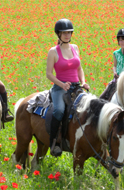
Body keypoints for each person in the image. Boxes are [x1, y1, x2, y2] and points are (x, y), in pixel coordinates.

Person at [46, 18, 90, 157]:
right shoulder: (53, 51)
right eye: (63, 33)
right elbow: (48, 74)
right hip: (60, 88)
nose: (67, 35)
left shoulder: (75, 48)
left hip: (77, 87)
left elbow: (79, 68)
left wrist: (83, 82)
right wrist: (62, 84)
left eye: (69, 32)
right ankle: (54, 142)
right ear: (58, 34)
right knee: (59, 110)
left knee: (91, 108)